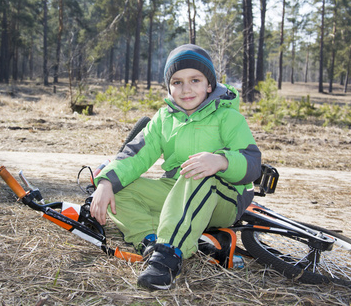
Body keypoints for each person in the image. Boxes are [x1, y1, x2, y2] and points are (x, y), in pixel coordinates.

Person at [90, 44, 261, 290]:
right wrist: (105, 183)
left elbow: (253, 163)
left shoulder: (228, 117)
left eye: (195, 80)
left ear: (209, 84)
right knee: (118, 189)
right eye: (177, 82)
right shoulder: (164, 119)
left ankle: (168, 256)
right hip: (177, 190)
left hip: (224, 197)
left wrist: (221, 161)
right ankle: (150, 242)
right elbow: (135, 155)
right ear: (169, 87)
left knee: (198, 169)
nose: (186, 88)